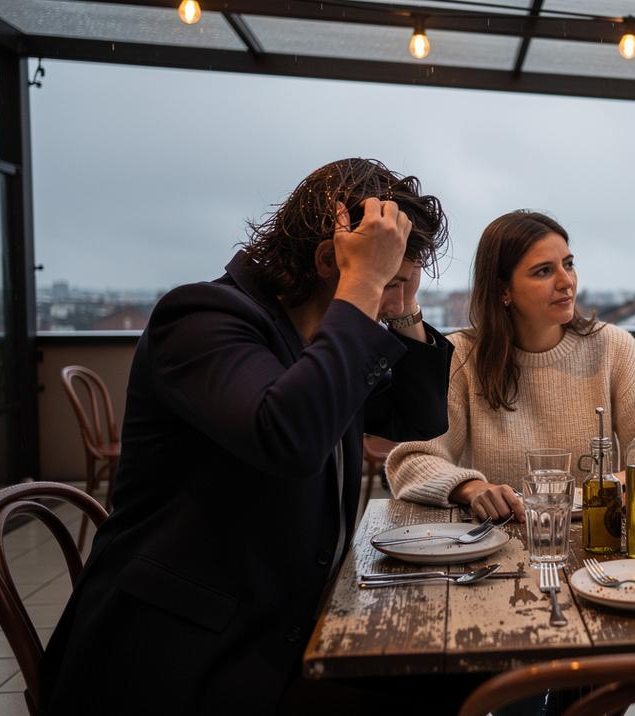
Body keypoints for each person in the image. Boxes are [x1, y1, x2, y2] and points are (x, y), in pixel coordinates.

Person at [40, 158, 454, 715]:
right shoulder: (201, 318)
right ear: (332, 260)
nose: (393, 302)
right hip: (183, 661)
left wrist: (400, 307)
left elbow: (416, 416)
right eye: (389, 281)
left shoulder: (317, 341)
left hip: (278, 628)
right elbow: (288, 437)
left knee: (474, 677)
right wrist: (363, 286)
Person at [388, 210, 635, 519]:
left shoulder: (612, 346)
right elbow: (412, 461)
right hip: (497, 542)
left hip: (601, 537)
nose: (566, 282)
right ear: (504, 290)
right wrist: (471, 488)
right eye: (543, 271)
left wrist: (610, 486)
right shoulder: (461, 355)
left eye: (568, 264)